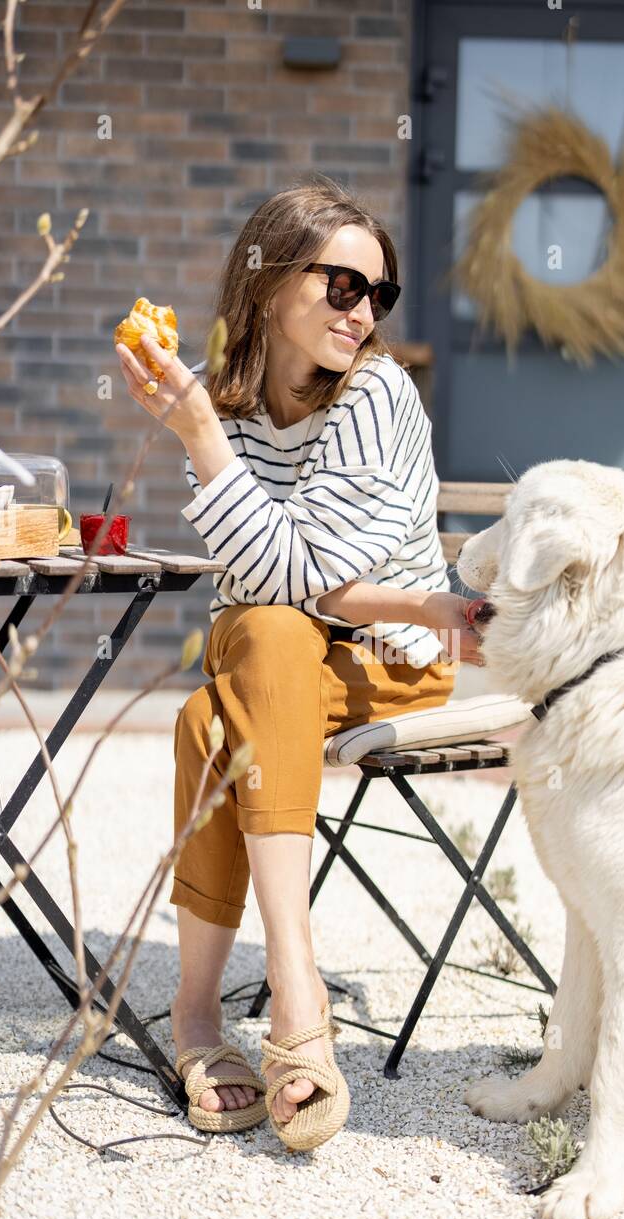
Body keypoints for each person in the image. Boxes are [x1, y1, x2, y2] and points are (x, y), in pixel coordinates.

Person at [115, 175, 484, 1150]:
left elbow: (294, 573)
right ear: (272, 282)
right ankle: (254, 1008)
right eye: (340, 286)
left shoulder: (374, 396)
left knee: (234, 686)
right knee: (245, 669)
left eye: (377, 295)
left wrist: (197, 438)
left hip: (387, 663)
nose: (361, 313)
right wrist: (212, 431)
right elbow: (261, 590)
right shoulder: (233, 396)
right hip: (282, 655)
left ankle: (260, 997)